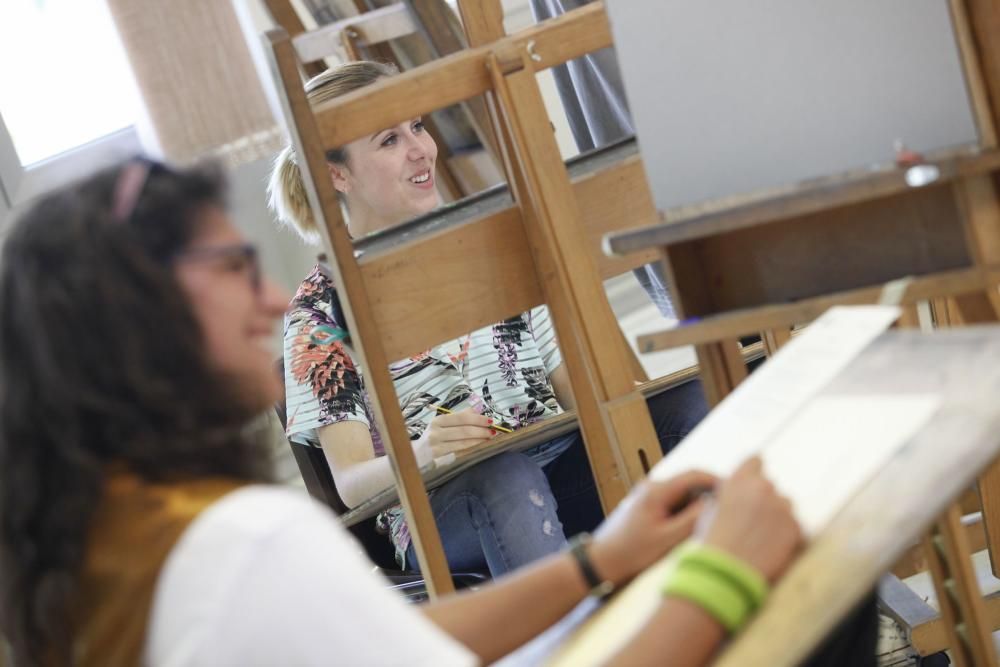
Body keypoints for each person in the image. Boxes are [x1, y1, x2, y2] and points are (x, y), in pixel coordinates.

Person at [0, 157, 875, 666]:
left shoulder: (125, 551)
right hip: (468, 493)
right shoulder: (244, 542)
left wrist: (596, 561)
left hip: (554, 471)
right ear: (141, 321)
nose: (265, 298)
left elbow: (392, 642)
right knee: (826, 606)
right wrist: (721, 576)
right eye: (233, 268)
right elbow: (352, 489)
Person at [270, 61, 709, 575]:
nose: (420, 149)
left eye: (417, 125)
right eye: (389, 139)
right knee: (508, 478)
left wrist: (631, 403)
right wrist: (426, 451)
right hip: (446, 509)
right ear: (335, 175)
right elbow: (349, 483)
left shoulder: (492, 247)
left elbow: (575, 391)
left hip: (560, 463)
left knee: (687, 406)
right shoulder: (317, 315)